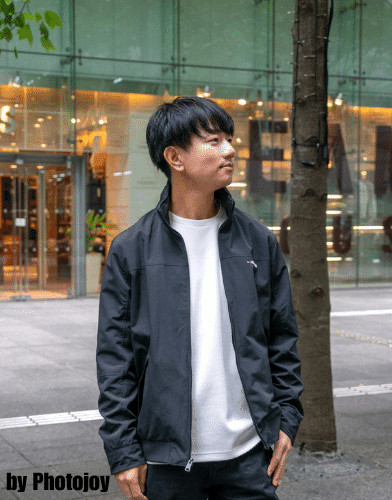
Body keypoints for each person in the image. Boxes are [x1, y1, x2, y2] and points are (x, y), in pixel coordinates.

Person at [96, 96, 303, 500]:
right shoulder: (131, 250)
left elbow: (282, 339)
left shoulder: (258, 242)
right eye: (213, 141)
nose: (230, 150)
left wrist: (287, 420)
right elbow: (116, 359)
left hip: (250, 454)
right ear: (174, 157)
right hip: (166, 460)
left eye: (230, 139)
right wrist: (122, 451)